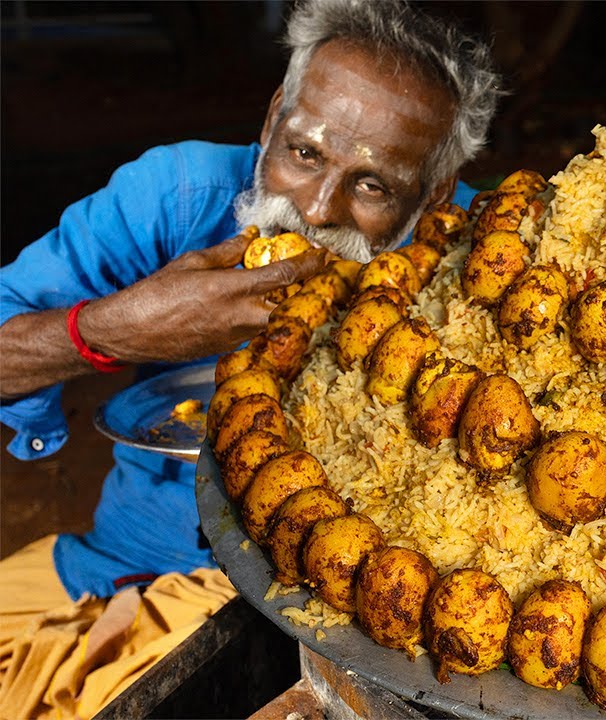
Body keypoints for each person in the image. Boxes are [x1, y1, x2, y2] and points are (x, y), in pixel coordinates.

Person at [0, 0, 499, 715]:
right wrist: (111, 330)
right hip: (125, 563)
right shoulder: (173, 197)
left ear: (433, 193)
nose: (318, 209)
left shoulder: (478, 266)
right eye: (303, 153)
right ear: (272, 120)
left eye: (372, 185)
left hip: (347, 620)